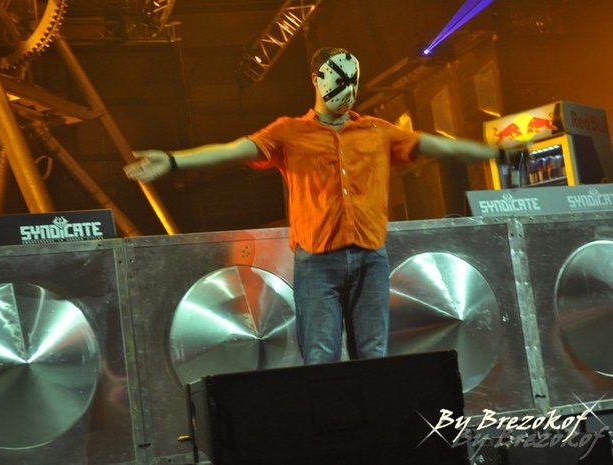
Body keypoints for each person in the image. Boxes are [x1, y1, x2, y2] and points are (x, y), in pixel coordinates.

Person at [124, 47, 501, 365]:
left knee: (374, 355)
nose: (347, 90)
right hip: (318, 261)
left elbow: (436, 145)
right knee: (320, 356)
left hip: (370, 256)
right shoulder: (289, 132)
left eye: (352, 81)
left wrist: (494, 152)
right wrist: (172, 160)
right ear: (316, 80)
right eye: (339, 80)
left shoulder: (376, 130)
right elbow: (233, 150)